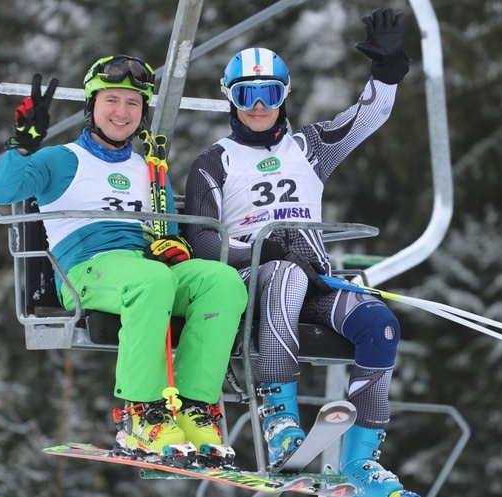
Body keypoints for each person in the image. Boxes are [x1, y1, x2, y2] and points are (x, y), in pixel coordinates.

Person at [184, 8, 418, 497]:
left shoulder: (307, 147)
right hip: (251, 285)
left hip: (314, 282)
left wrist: (388, 69)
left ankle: (360, 462)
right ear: (230, 98)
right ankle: (279, 421)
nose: (258, 105)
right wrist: (264, 249)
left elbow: (369, 116)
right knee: (286, 276)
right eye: (246, 94)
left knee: (380, 322)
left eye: (268, 92)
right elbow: (203, 243)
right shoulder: (214, 162)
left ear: (283, 96)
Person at [0, 55, 247, 456]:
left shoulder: (148, 167)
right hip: (86, 268)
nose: (122, 112)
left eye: (133, 103)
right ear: (91, 106)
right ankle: (143, 413)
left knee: (222, 281)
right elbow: (2, 193)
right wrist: (22, 144)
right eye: (111, 100)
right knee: (151, 279)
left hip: (144, 269)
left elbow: (167, 232)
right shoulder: (62, 159)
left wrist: (173, 245)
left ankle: (194, 408)